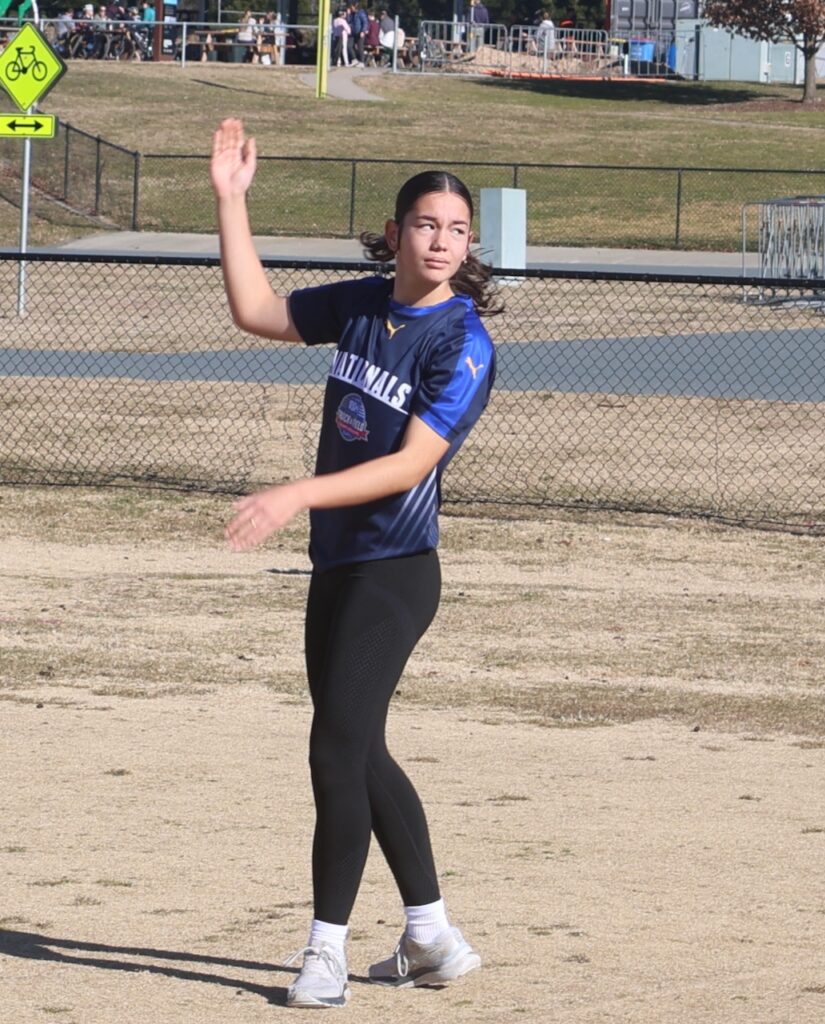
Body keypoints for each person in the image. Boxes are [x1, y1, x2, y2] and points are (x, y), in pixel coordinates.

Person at [210, 117, 499, 1010]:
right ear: (396, 229)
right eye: (425, 224)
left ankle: (323, 953)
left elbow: (411, 464)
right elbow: (257, 310)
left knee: (333, 745)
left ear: (468, 244)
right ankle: (430, 935)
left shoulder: (462, 342)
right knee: (358, 748)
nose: (441, 241)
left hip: (397, 570)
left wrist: (294, 492)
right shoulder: (365, 304)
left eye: (456, 229)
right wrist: (231, 201)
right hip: (336, 565)